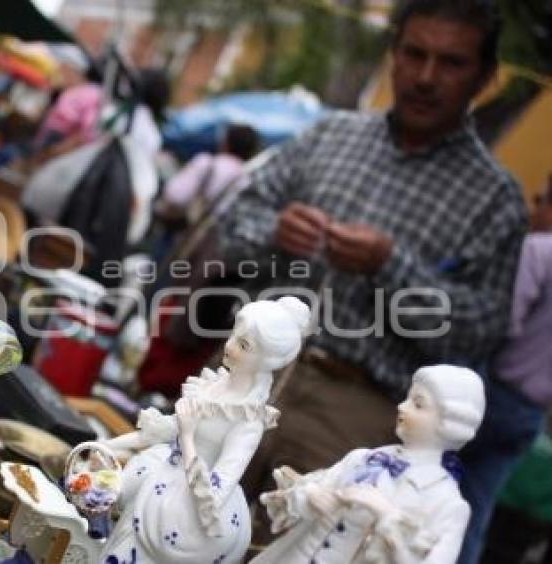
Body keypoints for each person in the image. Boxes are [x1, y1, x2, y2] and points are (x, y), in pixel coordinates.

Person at [213, 0, 528, 552]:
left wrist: (392, 267)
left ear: (484, 77)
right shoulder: (330, 135)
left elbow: (478, 334)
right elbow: (237, 221)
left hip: (356, 417)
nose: (426, 77)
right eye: (415, 54)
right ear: (394, 55)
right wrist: (274, 232)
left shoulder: (493, 198)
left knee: (286, 549)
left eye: (451, 63)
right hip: (249, 371)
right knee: (179, 519)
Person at [102, 297, 310, 563]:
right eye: (234, 335)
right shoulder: (213, 384)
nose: (230, 346)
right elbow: (166, 430)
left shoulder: (249, 420)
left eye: (244, 345)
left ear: (266, 360)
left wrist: (187, 438)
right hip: (159, 475)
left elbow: (216, 491)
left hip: (184, 511)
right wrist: (110, 446)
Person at [251, 365, 486, 564]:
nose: (401, 407)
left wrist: (387, 516)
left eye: (418, 404)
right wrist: (311, 495)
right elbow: (295, 494)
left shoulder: (446, 503)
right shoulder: (363, 459)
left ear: (449, 422)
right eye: (407, 398)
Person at [458, 179, 552, 563]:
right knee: (472, 513)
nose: (534, 209)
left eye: (540, 200)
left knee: (421, 484)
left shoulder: (539, 250)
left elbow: (501, 321)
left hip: (492, 393)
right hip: (531, 415)